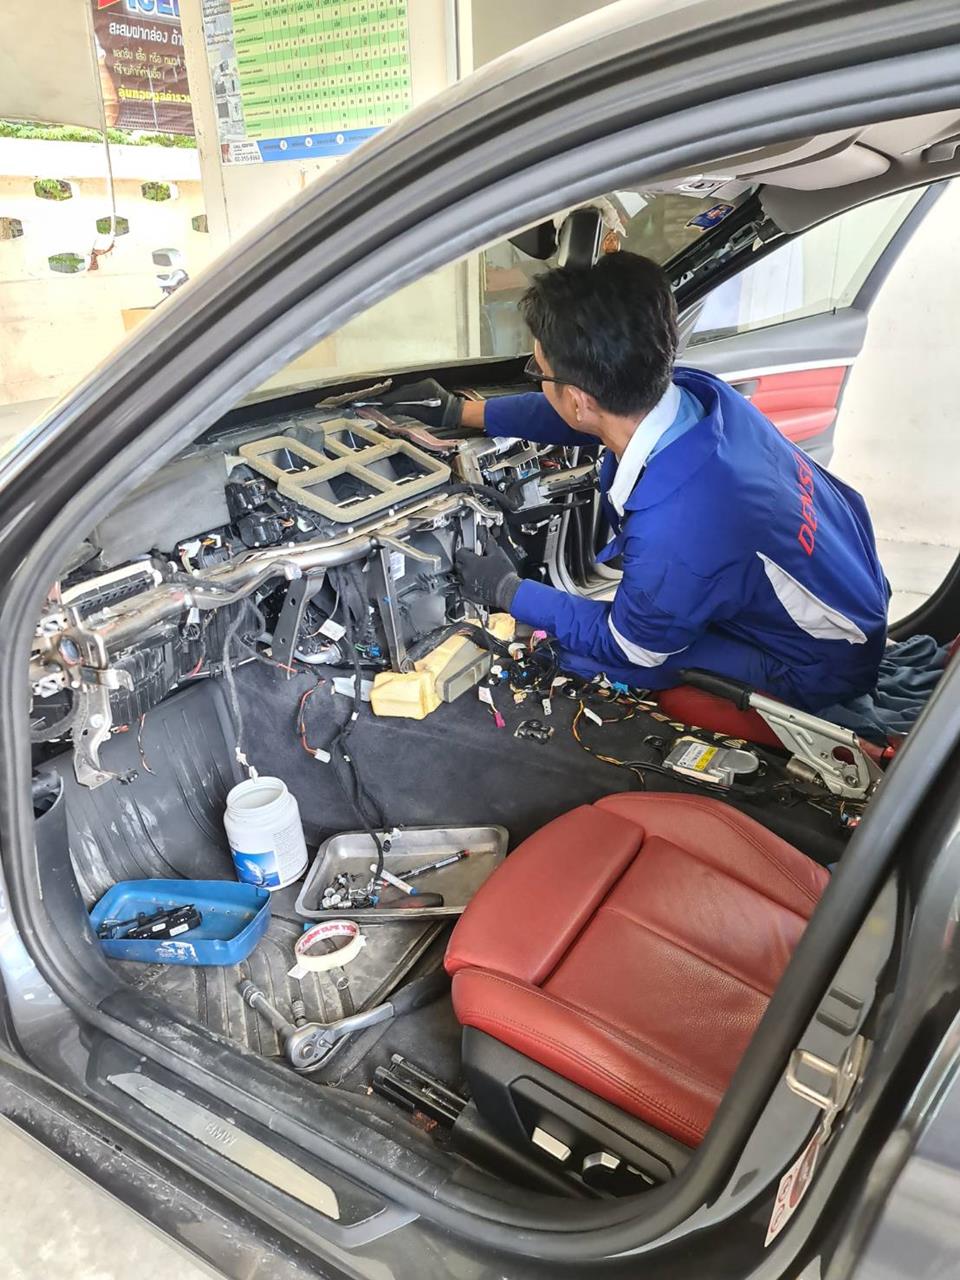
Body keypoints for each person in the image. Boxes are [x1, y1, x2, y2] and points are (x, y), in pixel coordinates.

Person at [374, 252, 889, 711]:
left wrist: (508, 591)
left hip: (821, 665)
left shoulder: (680, 525)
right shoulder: (698, 395)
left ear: (577, 398)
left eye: (539, 371)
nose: (539, 377)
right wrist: (459, 412)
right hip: (852, 592)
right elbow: (586, 414)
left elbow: (633, 645)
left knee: (577, 657)